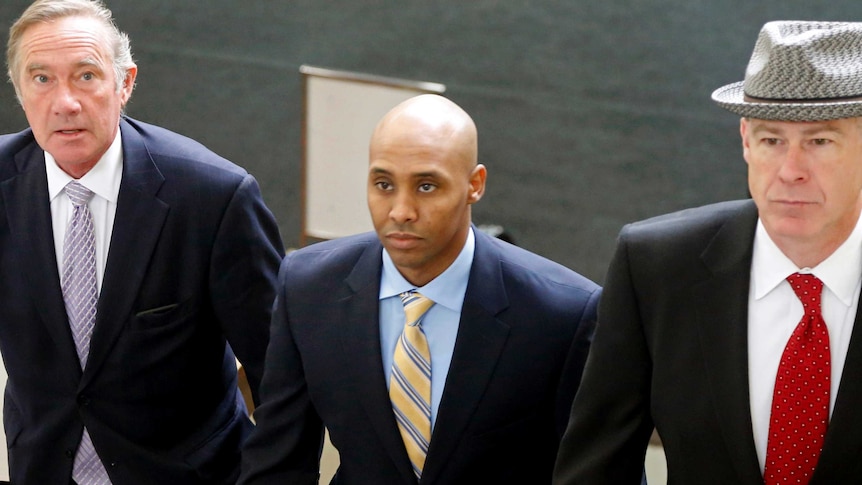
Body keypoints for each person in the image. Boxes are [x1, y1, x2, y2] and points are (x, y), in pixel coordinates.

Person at [553, 20, 862, 485]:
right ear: (744, 140)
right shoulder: (657, 266)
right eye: (771, 140)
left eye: (819, 141)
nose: (790, 170)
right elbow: (596, 464)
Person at [238, 94, 601, 484]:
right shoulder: (308, 289)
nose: (400, 211)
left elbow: (600, 474)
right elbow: (277, 463)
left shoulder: (562, 314)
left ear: (474, 185)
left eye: (426, 186)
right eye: (383, 184)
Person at [0, 0, 284, 482]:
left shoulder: (213, 197)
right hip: (45, 466)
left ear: (125, 83)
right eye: (42, 78)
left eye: (86, 76)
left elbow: (279, 375)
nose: (64, 102)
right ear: (21, 92)